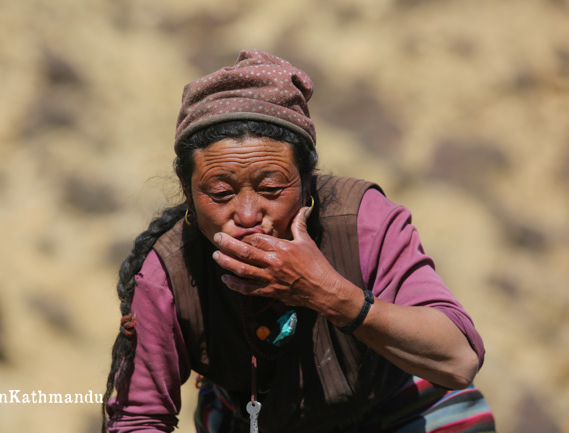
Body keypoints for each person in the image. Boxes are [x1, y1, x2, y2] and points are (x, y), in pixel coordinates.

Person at [101, 49, 496, 433]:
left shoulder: (363, 223)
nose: (248, 215)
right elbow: (139, 418)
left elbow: (458, 361)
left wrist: (329, 294)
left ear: (307, 184)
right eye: (220, 193)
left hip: (394, 411)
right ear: (189, 194)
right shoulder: (165, 270)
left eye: (272, 188)